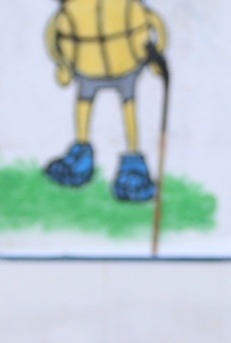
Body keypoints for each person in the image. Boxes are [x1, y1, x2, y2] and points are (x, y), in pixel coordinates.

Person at [42, 0, 168, 204]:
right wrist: (62, 63)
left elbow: (155, 23)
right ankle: (80, 157)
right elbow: (53, 31)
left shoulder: (129, 6)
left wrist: (156, 57)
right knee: (85, 104)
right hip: (86, 65)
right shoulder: (73, 8)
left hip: (125, 62)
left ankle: (133, 165)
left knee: (128, 107)